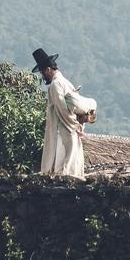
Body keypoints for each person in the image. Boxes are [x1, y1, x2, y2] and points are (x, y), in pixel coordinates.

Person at [34, 47, 94, 178]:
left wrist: (74, 125)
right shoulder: (66, 82)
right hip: (71, 130)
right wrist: (78, 125)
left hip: (63, 130)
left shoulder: (56, 85)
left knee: (61, 166)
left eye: (43, 73)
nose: (43, 76)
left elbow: (63, 110)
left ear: (48, 70)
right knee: (71, 163)